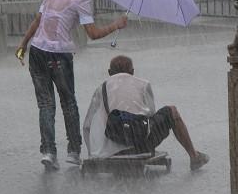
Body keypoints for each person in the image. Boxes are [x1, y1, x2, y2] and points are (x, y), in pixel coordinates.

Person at [17, 0, 128, 170]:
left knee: (45, 105)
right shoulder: (82, 0)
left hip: (37, 53)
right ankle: (74, 152)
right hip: (59, 55)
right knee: (68, 103)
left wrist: (23, 45)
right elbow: (93, 34)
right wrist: (116, 25)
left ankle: (49, 152)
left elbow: (37, 21)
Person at [82, 55, 210, 171]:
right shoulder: (143, 84)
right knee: (172, 111)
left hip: (108, 150)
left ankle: (113, 148)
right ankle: (194, 156)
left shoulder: (101, 88)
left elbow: (87, 125)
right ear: (132, 72)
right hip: (140, 145)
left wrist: (94, 153)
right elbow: (150, 115)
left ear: (109, 73)